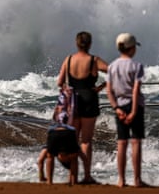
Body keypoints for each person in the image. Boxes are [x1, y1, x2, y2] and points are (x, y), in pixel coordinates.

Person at [56, 31, 107, 184]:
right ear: (90, 44)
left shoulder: (69, 59)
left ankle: (72, 177)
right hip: (89, 99)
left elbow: (60, 82)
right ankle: (86, 176)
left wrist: (67, 91)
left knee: (73, 140)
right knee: (86, 141)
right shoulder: (94, 60)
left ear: (77, 43)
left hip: (73, 99)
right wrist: (102, 86)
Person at [106, 33, 148, 188]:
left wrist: (116, 108)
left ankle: (121, 180)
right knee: (136, 142)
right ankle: (137, 180)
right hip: (135, 106)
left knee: (121, 143)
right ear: (131, 49)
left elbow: (109, 91)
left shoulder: (112, 66)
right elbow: (136, 90)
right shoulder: (137, 66)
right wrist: (134, 112)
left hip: (120, 106)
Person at [37, 90, 78, 185]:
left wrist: (41, 176)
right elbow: (40, 161)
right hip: (62, 129)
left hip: (57, 130)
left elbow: (40, 161)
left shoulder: (50, 150)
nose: (62, 156)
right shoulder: (70, 152)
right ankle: (72, 181)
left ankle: (50, 181)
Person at [45, 110, 79, 185]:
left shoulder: (52, 128)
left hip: (53, 132)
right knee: (74, 157)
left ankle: (49, 181)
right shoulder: (71, 128)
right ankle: (73, 181)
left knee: (50, 156)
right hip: (68, 132)